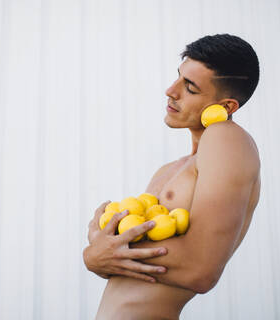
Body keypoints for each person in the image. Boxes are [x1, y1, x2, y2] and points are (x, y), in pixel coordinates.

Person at [83, 34, 262, 320]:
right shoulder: (169, 170)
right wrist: (98, 255)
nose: (171, 90)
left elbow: (201, 268)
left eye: (190, 88)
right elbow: (135, 269)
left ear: (227, 107)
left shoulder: (226, 137)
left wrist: (99, 251)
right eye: (178, 77)